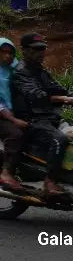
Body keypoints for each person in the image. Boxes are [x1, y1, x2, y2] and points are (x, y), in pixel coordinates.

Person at [11, 32, 73, 196]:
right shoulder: (21, 73)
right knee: (60, 138)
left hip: (49, 118)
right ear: (24, 50)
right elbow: (36, 95)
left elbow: (59, 88)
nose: (41, 53)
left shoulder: (40, 71)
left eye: (42, 49)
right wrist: (65, 99)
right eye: (36, 49)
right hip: (32, 121)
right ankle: (50, 180)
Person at [0, 38, 26, 191]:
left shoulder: (14, 68)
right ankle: (6, 172)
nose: (7, 56)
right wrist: (13, 119)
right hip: (2, 114)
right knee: (16, 134)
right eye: (3, 52)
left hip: (12, 111)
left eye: (10, 53)